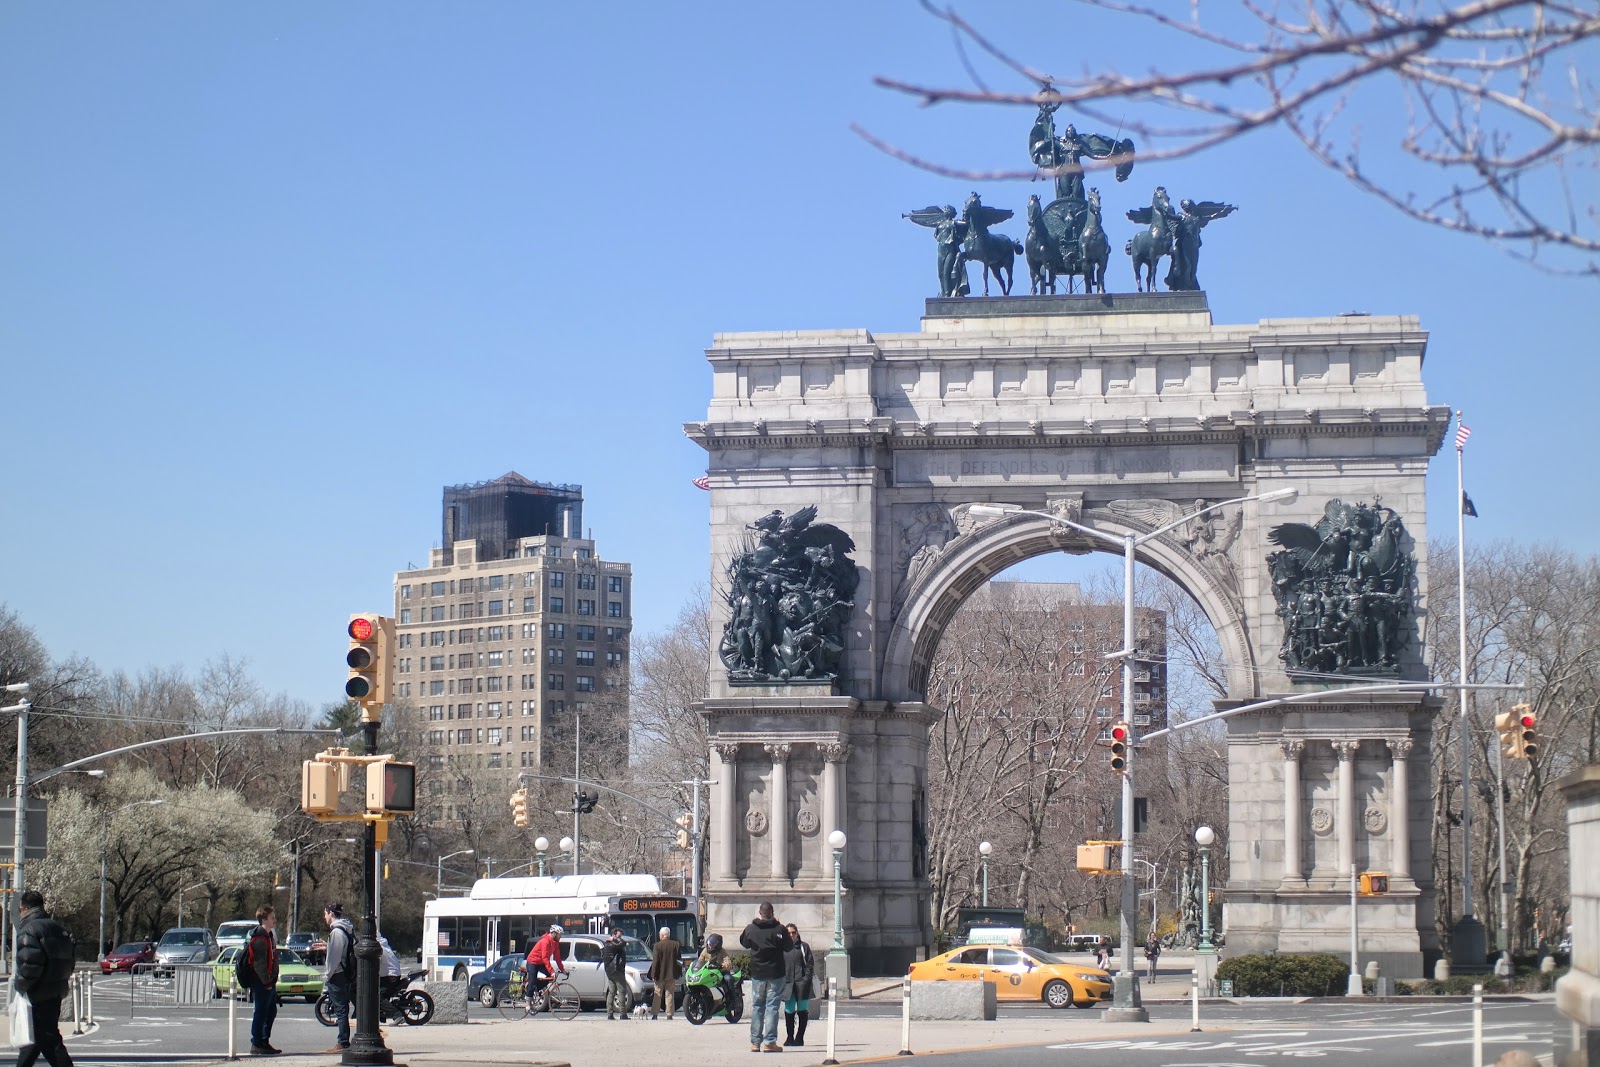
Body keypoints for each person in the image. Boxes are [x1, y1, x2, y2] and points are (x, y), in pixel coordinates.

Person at [14, 890, 76, 1067]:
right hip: (55, 992)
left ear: (24, 908)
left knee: (46, 1040)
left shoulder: (30, 930)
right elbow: (70, 962)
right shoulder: (58, 929)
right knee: (35, 1041)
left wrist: (21, 987)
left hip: (37, 994)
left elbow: (29, 965)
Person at [740, 903, 793, 1054]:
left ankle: (755, 1042)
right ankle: (769, 1042)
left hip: (758, 972)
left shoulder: (751, 928)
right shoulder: (780, 929)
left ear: (760, 913)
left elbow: (743, 943)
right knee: (772, 1007)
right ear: (772, 912)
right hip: (776, 973)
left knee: (757, 1007)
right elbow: (789, 947)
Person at [242, 904, 281, 1056]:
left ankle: (264, 1041)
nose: (274, 920)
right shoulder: (259, 939)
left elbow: (272, 959)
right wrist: (266, 982)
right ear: (263, 919)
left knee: (270, 1011)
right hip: (261, 982)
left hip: (268, 981)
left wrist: (272, 979)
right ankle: (257, 1042)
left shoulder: (269, 936)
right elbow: (259, 964)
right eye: (272, 918)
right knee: (261, 1011)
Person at [321, 902, 356, 1054]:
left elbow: (334, 958)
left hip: (338, 974)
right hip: (347, 973)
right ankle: (344, 1040)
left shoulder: (336, 932)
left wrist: (327, 975)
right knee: (344, 1008)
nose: (325, 916)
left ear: (331, 913)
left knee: (341, 1009)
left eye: (325, 913)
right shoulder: (346, 930)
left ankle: (343, 1042)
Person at [782, 923, 814, 1047]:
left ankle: (800, 1037)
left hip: (802, 984)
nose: (791, 935)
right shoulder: (783, 948)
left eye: (793, 932)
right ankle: (789, 1036)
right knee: (789, 1011)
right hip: (788, 984)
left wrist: (806, 979)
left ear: (797, 933)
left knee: (802, 1011)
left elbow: (810, 964)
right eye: (788, 933)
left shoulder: (803, 947)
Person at [523, 926, 567, 1011]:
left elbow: (557, 957)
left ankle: (535, 990)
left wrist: (562, 970)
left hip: (541, 963)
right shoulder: (545, 941)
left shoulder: (555, 943)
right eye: (559, 935)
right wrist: (552, 971)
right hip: (533, 962)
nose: (560, 937)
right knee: (532, 982)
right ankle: (527, 1002)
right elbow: (545, 958)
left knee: (549, 978)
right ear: (554, 933)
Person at [649, 926, 681, 1020]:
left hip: (659, 974)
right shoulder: (676, 944)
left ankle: (655, 1014)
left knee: (657, 994)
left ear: (662, 935)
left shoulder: (657, 946)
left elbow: (655, 962)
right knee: (670, 993)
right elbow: (678, 958)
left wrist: (653, 974)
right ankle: (669, 1014)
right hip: (671, 973)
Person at [600, 928, 630, 1020]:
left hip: (609, 970)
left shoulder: (606, 945)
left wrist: (614, 938)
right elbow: (623, 943)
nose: (620, 938)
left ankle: (610, 1014)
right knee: (622, 991)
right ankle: (623, 1014)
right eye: (619, 936)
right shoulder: (614, 944)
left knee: (612, 991)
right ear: (613, 935)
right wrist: (614, 939)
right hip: (616, 969)